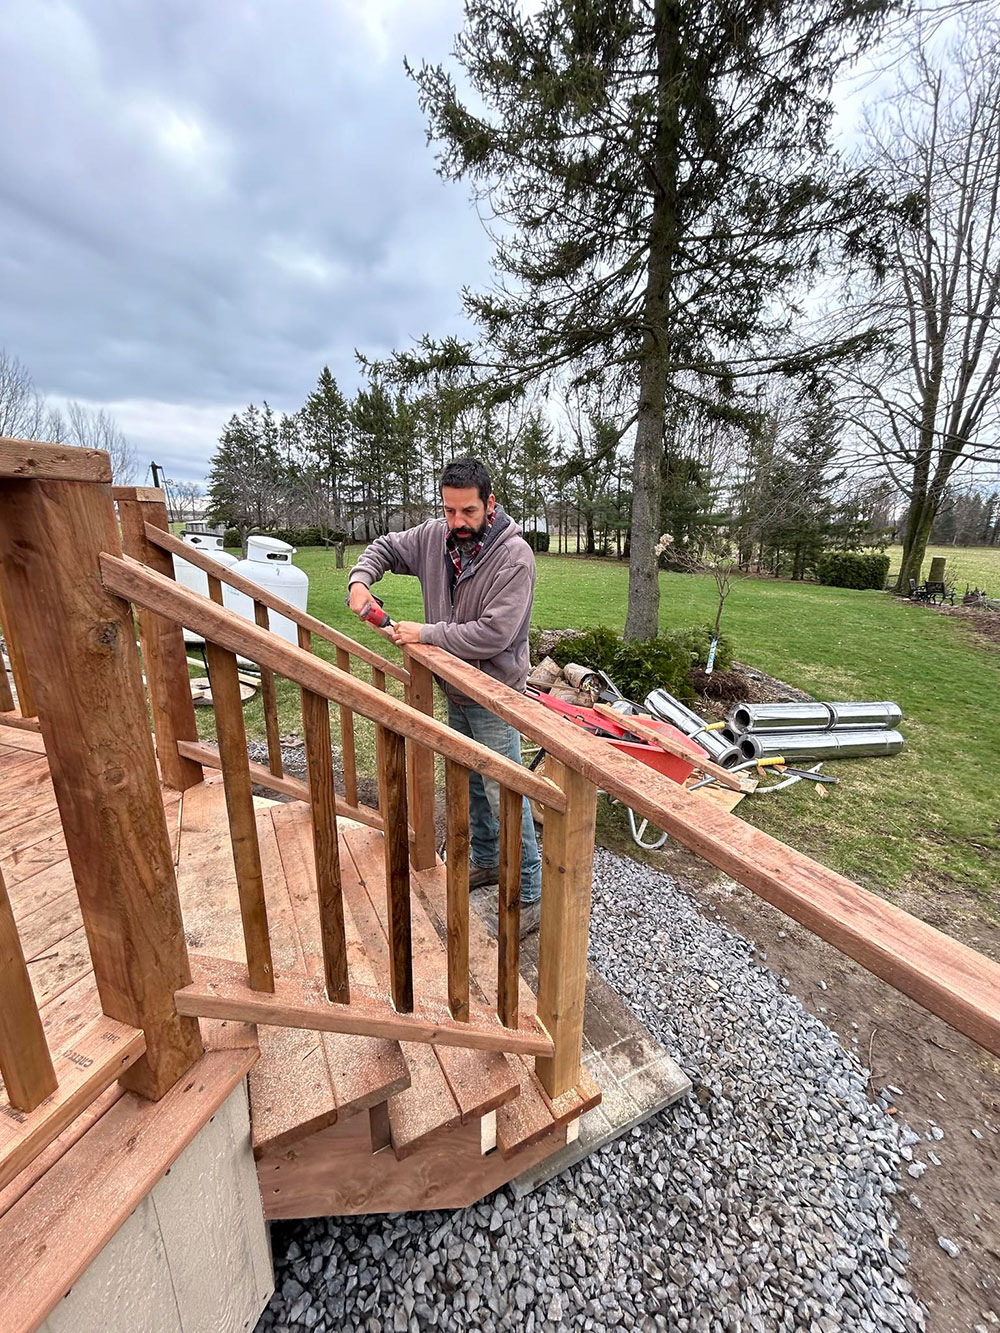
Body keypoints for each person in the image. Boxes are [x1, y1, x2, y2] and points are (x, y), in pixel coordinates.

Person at [347, 457, 543, 935]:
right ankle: (485, 859)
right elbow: (385, 547)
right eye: (450, 511)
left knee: (504, 791)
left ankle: (532, 892)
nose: (457, 523)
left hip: (495, 694)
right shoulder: (436, 536)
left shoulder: (515, 558)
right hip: (454, 688)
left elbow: (494, 635)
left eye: (468, 513)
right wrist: (359, 581)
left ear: (490, 505)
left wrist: (428, 633)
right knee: (472, 780)